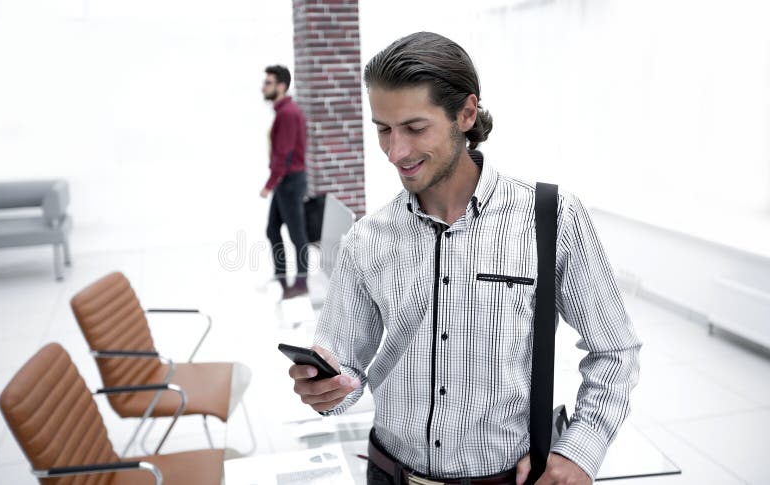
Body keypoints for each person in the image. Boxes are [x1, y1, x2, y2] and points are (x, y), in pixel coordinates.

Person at [287, 32, 641, 485]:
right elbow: (346, 366)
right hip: (389, 474)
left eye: (415, 128)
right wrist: (325, 387)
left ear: (466, 113)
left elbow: (616, 350)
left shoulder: (552, 218)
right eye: (383, 129)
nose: (396, 152)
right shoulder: (366, 238)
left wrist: (579, 451)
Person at [261, 64, 309, 299]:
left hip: (289, 181)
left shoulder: (288, 113)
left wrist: (270, 183)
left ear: (281, 86)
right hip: (285, 181)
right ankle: (282, 278)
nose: (264, 87)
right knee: (272, 230)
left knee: (297, 234)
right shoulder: (283, 111)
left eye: (268, 83)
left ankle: (301, 283)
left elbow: (285, 153)